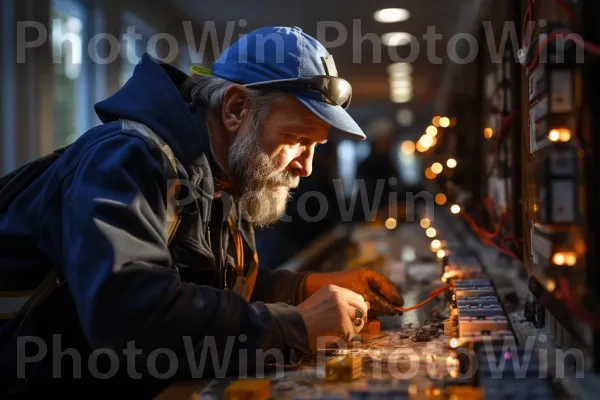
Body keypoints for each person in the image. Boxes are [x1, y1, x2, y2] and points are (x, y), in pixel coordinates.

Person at [0, 26, 403, 398]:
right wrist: (292, 325)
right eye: (296, 139)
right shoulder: (126, 159)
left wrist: (303, 289)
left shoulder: (226, 173)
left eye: (315, 146)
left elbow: (206, 292)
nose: (307, 166)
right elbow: (130, 315)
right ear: (235, 108)